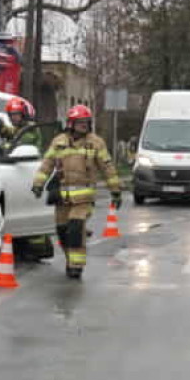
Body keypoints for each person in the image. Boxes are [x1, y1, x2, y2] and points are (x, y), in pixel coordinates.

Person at [32, 105, 122, 279]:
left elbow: (107, 168)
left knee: (75, 228)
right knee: (62, 231)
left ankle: (76, 266)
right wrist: (38, 184)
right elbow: (47, 164)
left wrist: (116, 191)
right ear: (71, 124)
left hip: (83, 199)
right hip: (62, 198)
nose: (84, 125)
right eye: (80, 122)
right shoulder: (59, 142)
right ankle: (69, 259)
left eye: (86, 122)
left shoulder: (96, 143)